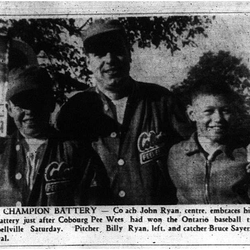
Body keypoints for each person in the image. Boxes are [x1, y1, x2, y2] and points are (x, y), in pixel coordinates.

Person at [56, 19, 187, 205]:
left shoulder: (162, 101)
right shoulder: (74, 110)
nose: (109, 59)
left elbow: (195, 155)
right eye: (100, 53)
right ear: (88, 61)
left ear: (129, 54)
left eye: (117, 50)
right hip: (97, 227)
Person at [0, 65, 109, 206]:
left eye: (36, 101)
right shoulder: (2, 153)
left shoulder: (76, 151)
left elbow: (92, 207)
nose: (30, 111)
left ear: (51, 103)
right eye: (21, 103)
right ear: (9, 109)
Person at [168, 78, 250, 204]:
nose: (218, 118)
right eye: (209, 111)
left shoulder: (245, 153)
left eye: (225, 111)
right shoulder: (176, 153)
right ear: (192, 114)